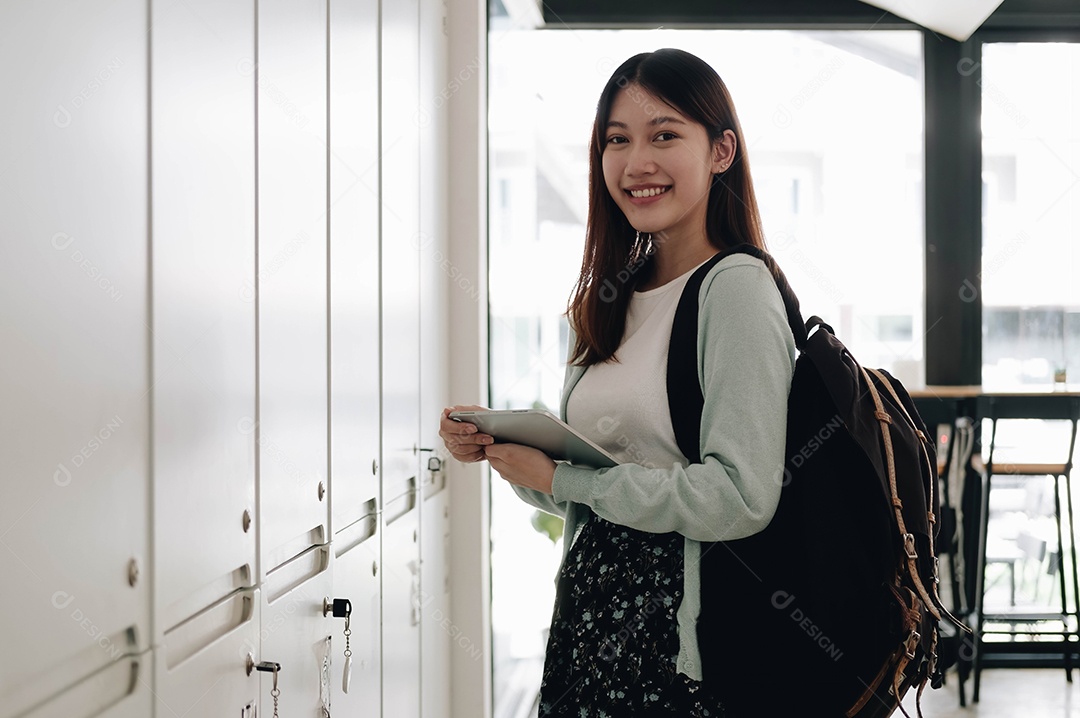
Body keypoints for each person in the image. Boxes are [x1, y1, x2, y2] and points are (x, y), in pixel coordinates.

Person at [439, 48, 796, 716]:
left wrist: (565, 481)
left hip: (678, 644)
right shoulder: (611, 296)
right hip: (590, 621)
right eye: (616, 140)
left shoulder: (737, 289)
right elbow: (595, 490)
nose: (636, 164)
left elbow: (740, 498)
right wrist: (508, 455)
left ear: (721, 151)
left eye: (665, 135)